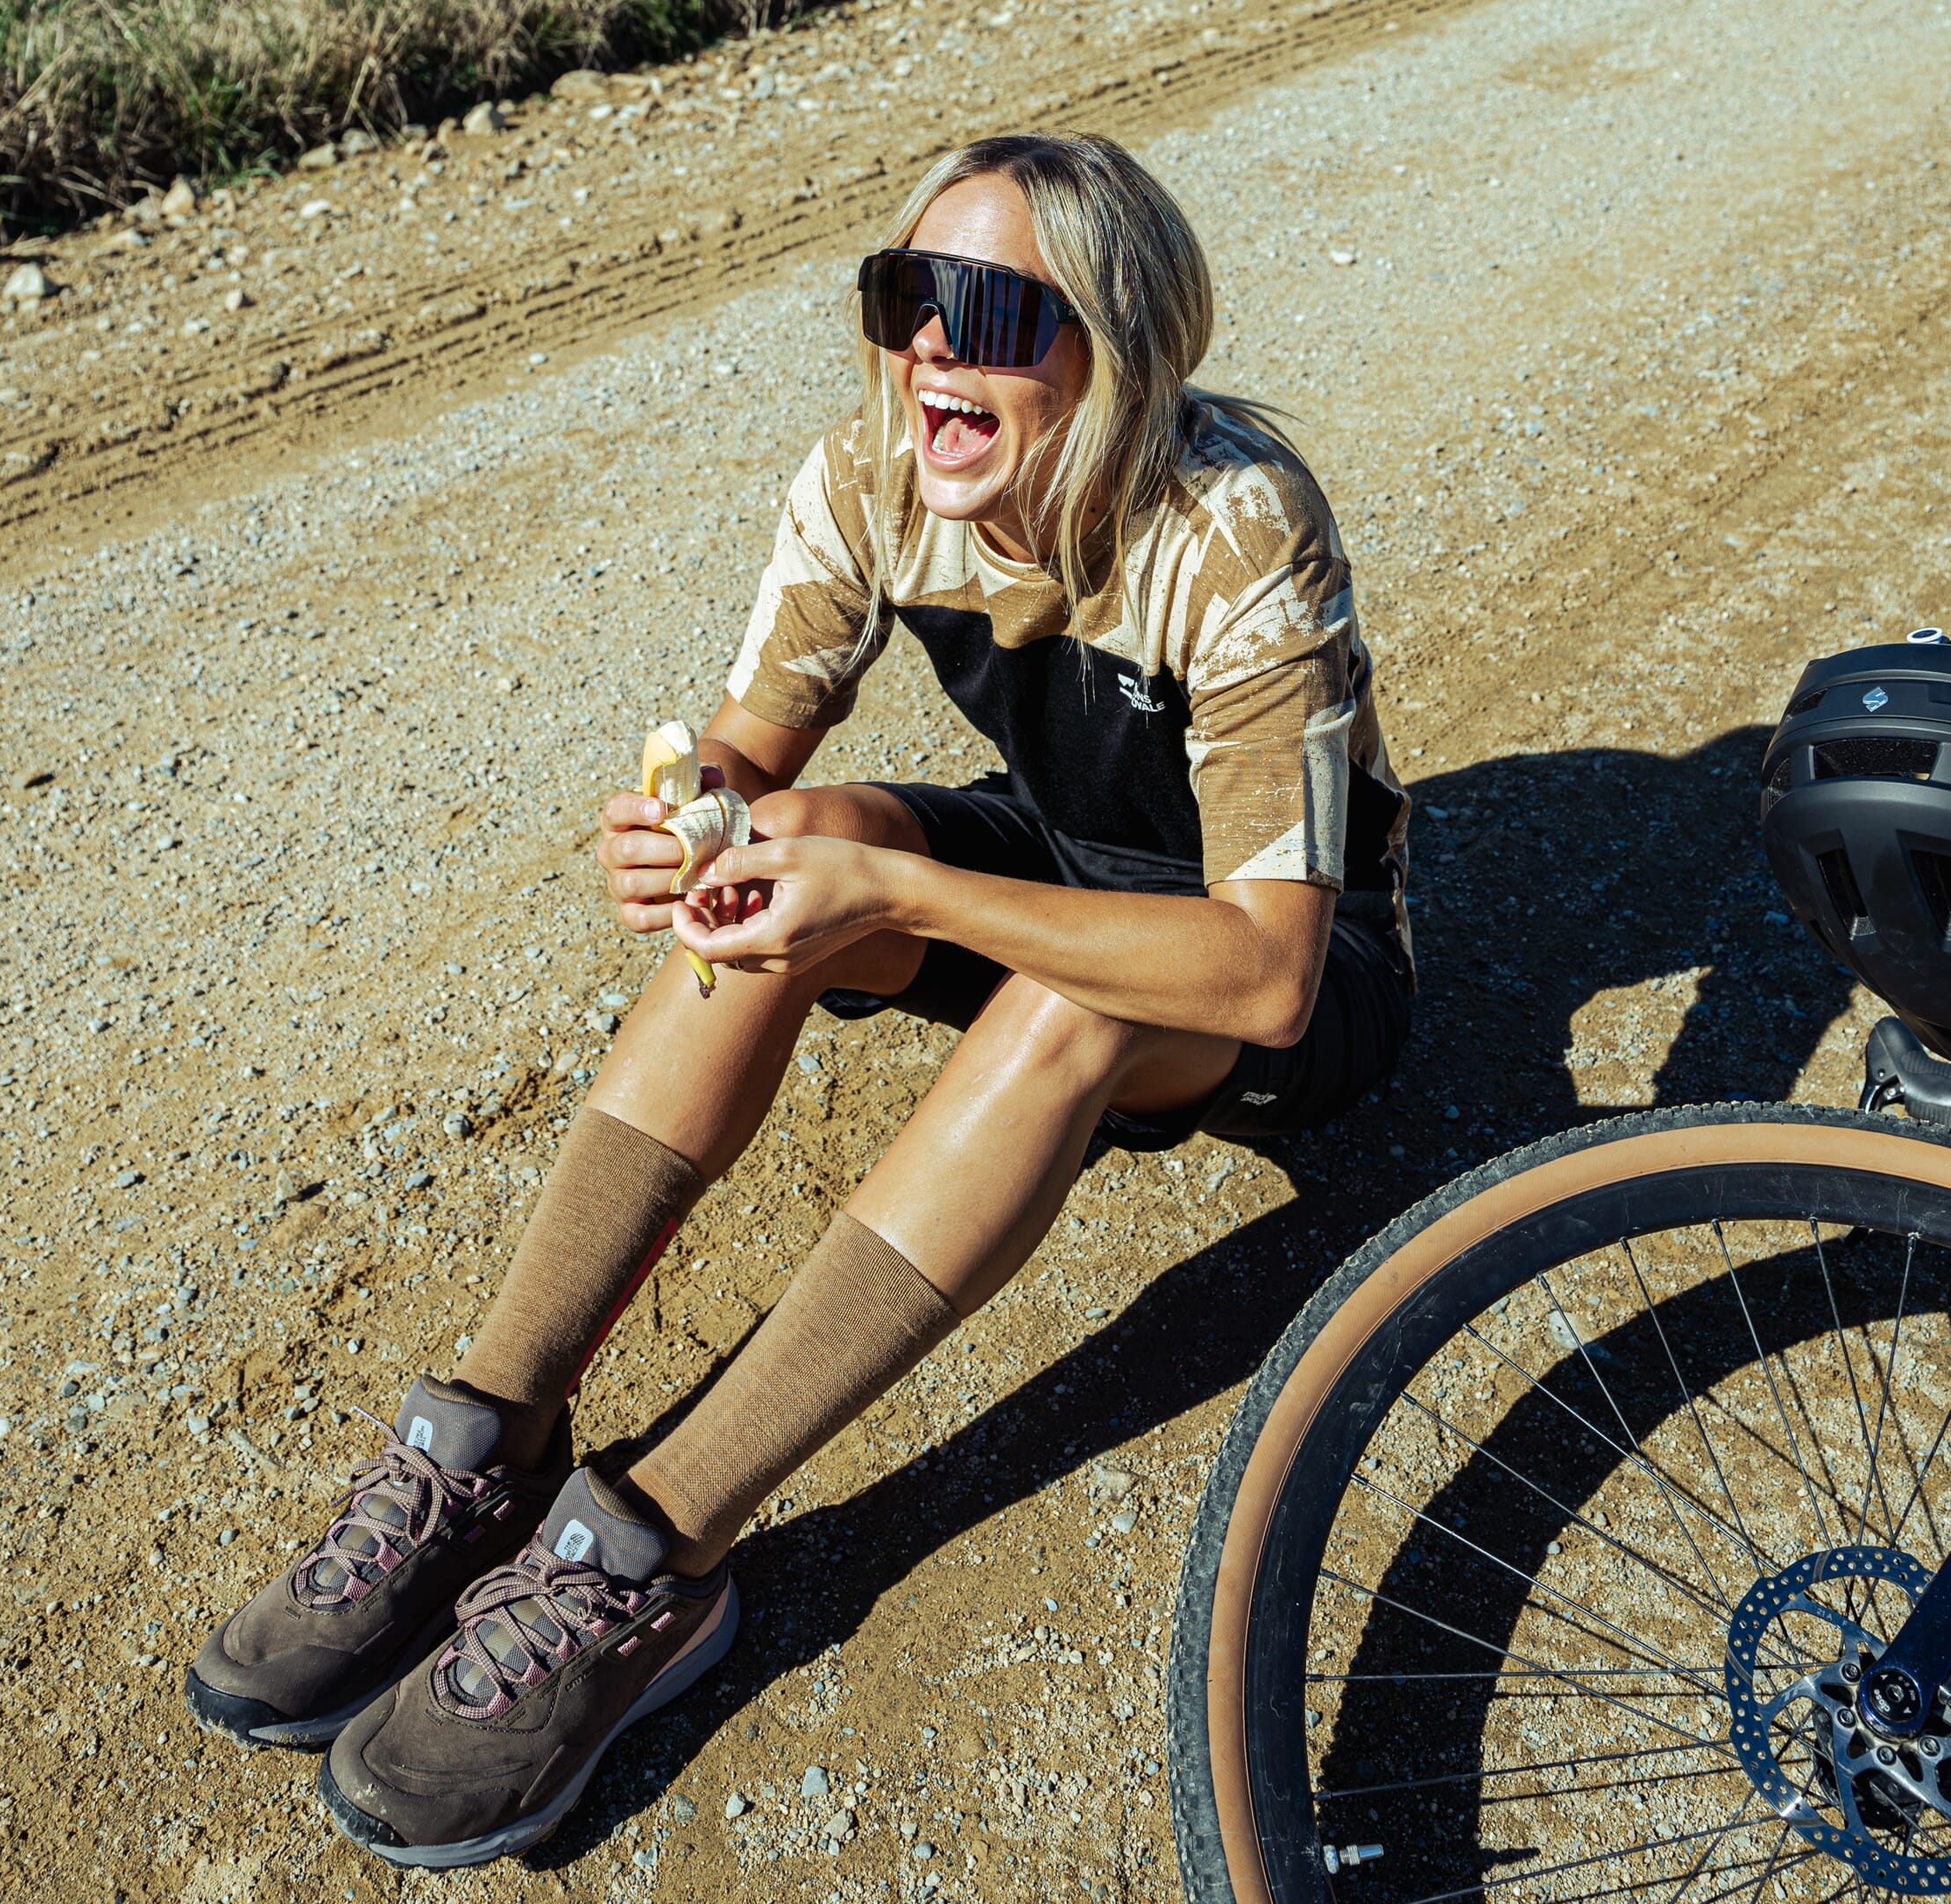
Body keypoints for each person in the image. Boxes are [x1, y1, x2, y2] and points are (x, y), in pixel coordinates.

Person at [184, 130, 1414, 1869]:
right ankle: (487, 1433)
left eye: (990, 308)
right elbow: (748, 750)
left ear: (1119, 343)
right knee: (792, 842)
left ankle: (652, 1555)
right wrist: (687, 817)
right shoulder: (871, 478)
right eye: (907, 295)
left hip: (1275, 964)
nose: (931, 343)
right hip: (1066, 866)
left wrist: (903, 895)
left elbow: (1271, 971)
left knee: (1050, 1003)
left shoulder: (1234, 522)